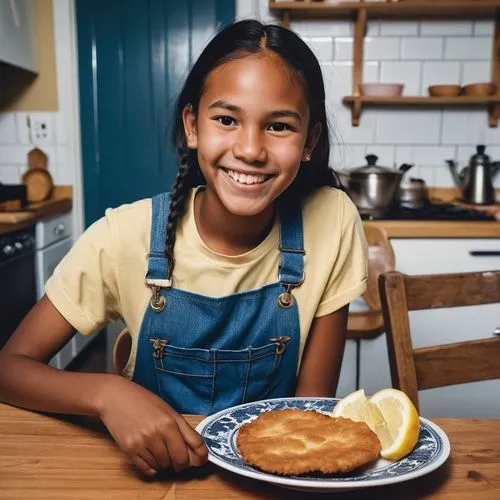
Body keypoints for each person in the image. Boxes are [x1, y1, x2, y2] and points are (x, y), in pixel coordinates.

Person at [0, 20, 367, 477]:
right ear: (192, 126)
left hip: (279, 478)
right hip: (151, 479)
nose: (250, 149)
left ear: (309, 141)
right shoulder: (123, 235)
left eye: (278, 126)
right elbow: (9, 369)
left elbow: (310, 416)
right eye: (227, 120)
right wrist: (108, 395)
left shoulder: (332, 222)